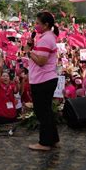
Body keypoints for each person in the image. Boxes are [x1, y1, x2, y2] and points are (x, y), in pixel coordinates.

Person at [27, 11, 60, 151]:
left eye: (37, 23)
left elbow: (41, 61)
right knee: (46, 111)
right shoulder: (47, 37)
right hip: (45, 79)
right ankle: (53, 139)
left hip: (42, 80)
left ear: (46, 25)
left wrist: (29, 51)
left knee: (42, 112)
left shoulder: (46, 39)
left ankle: (44, 143)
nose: (35, 26)